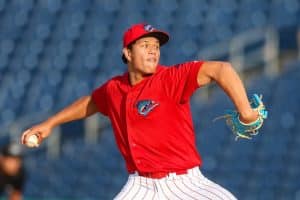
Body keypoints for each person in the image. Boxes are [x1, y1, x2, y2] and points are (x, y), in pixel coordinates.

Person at [21, 23, 260, 199]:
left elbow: (221, 69)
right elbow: (90, 102)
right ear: (127, 53)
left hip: (186, 183)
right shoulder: (115, 88)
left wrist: (246, 111)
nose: (153, 51)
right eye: (145, 45)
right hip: (140, 187)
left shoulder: (171, 78)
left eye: (156, 46)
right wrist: (50, 123)